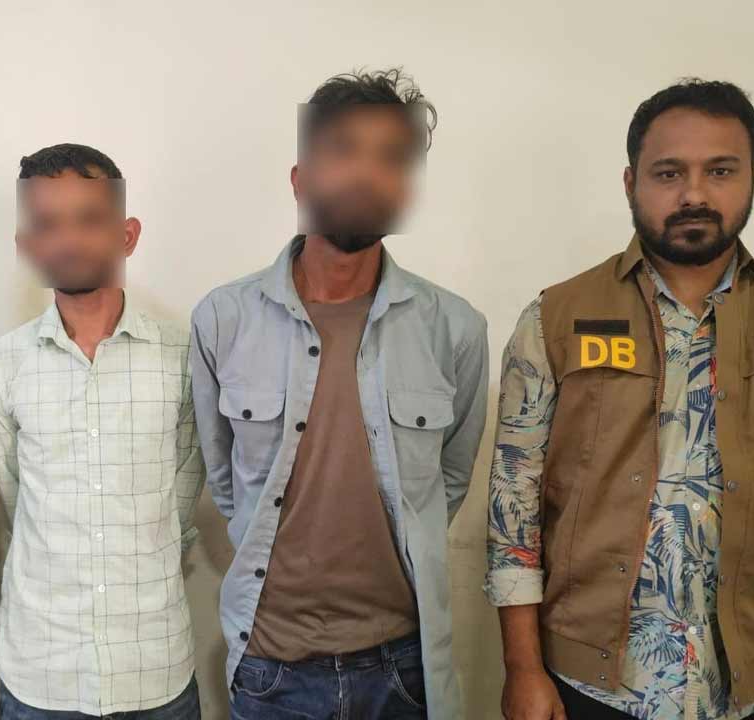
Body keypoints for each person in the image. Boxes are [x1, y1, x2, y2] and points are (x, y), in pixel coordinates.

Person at [487, 79, 754, 720]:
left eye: (720, 170)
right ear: (631, 182)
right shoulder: (556, 317)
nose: (694, 194)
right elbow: (512, 508)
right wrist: (523, 668)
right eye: (669, 172)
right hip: (590, 685)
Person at [190, 68, 489, 719]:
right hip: (271, 667)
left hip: (404, 669)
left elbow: (448, 481)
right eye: (345, 151)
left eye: (392, 158)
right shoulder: (223, 318)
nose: (367, 174)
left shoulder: (455, 328)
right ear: (301, 179)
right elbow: (225, 479)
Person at [0, 144, 205, 719]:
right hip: (41, 671)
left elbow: (180, 500)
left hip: (154, 665)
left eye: (89, 219)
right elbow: (15, 501)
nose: (69, 240)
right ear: (27, 245)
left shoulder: (185, 359)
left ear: (127, 234)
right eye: (48, 224)